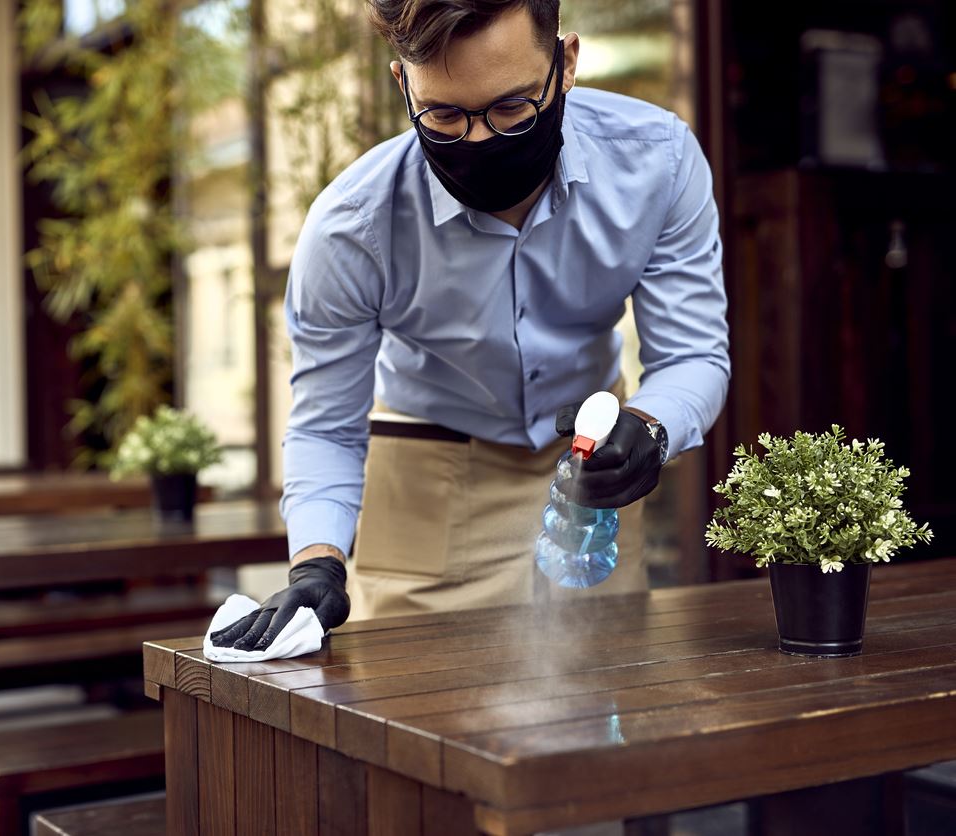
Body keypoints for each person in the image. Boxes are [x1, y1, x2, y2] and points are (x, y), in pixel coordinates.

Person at [211, 0, 729, 653]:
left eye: (512, 108)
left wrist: (650, 429)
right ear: (403, 83)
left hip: (592, 482)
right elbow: (325, 425)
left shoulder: (658, 162)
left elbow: (693, 355)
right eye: (445, 116)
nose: (480, 140)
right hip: (428, 490)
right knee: (409, 707)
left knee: (605, 696)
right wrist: (317, 562)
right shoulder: (353, 227)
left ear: (565, 63)